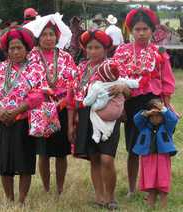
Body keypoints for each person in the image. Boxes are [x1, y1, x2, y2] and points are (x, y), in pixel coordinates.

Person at [113, 7, 175, 197]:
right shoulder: (122, 51)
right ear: (131, 30)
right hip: (130, 102)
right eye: (137, 29)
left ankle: (153, 188)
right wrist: (120, 106)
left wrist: (165, 105)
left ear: (152, 30)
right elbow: (116, 80)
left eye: (145, 29)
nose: (141, 33)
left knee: (153, 147)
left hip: (153, 103)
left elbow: (167, 81)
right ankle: (132, 189)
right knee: (133, 147)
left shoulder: (159, 52)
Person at [68, 30, 128, 210]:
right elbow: (72, 98)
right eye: (89, 48)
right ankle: (99, 197)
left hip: (108, 117)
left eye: (97, 47)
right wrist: (71, 124)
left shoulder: (113, 66)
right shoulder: (80, 68)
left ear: (106, 49)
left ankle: (111, 198)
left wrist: (122, 87)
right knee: (94, 157)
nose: (93, 51)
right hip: (86, 117)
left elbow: (129, 90)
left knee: (107, 158)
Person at [0, 27, 44, 204]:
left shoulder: (34, 68)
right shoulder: (2, 68)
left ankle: (22, 200)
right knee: (5, 162)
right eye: (12, 48)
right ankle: (10, 200)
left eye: (19, 47)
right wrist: (0, 110)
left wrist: (16, 111)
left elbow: (38, 95)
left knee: (25, 161)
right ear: (7, 50)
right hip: (4, 122)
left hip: (24, 121)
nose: (15, 51)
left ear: (27, 49)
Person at [24, 13, 76, 195]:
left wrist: (64, 101)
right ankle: (46, 189)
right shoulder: (30, 56)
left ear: (57, 36)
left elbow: (73, 82)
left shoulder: (66, 57)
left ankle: (60, 189)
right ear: (38, 36)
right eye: (45, 34)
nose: (48, 38)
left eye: (52, 34)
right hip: (39, 110)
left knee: (61, 153)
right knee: (43, 153)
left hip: (61, 108)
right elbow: (25, 82)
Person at [132, 98, 178, 208]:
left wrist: (163, 109)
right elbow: (136, 119)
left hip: (162, 157)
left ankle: (163, 207)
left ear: (163, 116)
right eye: (153, 115)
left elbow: (173, 119)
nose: (156, 118)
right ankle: (150, 207)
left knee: (163, 183)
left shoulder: (167, 127)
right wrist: (147, 113)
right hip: (148, 157)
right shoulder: (143, 126)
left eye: (159, 115)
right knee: (150, 183)